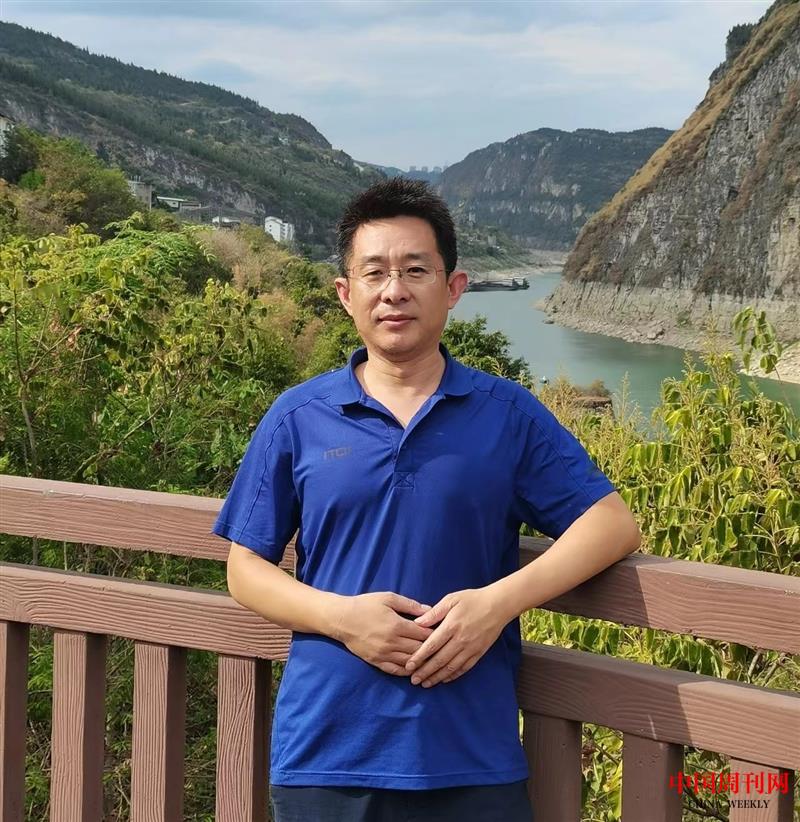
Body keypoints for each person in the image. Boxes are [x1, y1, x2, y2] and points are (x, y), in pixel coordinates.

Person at [212, 178, 642, 822]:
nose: (395, 291)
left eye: (416, 270)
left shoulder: (506, 413)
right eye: (375, 273)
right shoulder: (298, 416)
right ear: (346, 293)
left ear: (454, 287)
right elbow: (244, 569)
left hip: (471, 755)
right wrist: (342, 618)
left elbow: (610, 525)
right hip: (326, 755)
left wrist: (497, 604)